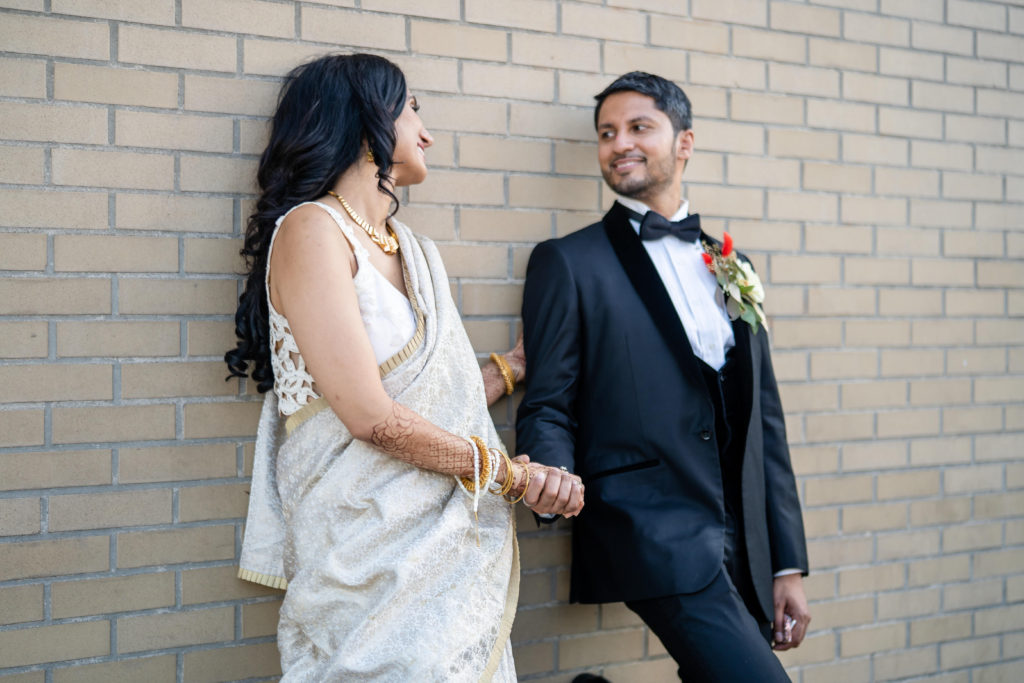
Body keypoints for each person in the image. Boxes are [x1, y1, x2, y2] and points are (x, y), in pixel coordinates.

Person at [225, 53, 583, 682]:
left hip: (447, 558)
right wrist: (509, 476)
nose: (426, 131)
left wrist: (513, 367)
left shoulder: (414, 250)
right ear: (367, 125)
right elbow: (369, 414)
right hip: (368, 553)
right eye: (411, 108)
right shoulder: (313, 229)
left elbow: (423, 387)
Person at [516, 71, 810, 682]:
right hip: (648, 527)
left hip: (745, 541)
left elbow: (766, 424)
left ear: (684, 143)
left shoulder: (732, 263)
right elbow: (548, 401)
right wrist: (549, 477)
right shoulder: (568, 262)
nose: (619, 142)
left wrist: (786, 563)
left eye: (638, 127)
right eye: (606, 133)